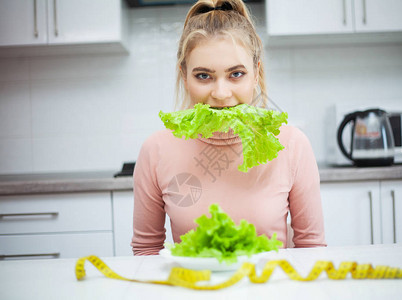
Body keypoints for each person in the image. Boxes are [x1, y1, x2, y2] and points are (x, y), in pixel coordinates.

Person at [131, 0, 326, 255]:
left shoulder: (292, 145)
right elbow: (146, 252)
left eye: (236, 74)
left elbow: (312, 249)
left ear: (256, 73)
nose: (221, 94)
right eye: (203, 76)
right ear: (184, 75)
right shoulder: (155, 150)